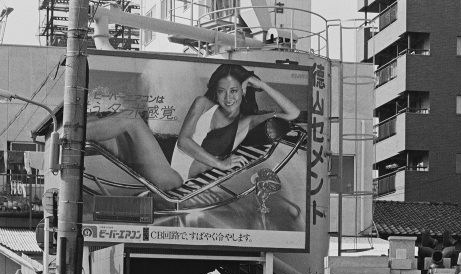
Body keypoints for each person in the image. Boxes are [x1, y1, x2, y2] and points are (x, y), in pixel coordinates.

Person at [82, 62, 302, 192]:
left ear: (243, 91)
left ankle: (72, 135)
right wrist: (219, 162)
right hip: (163, 164)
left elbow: (293, 113)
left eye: (234, 91)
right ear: (215, 91)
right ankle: (71, 137)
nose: (228, 97)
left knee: (130, 118)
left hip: (173, 178)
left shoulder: (245, 123)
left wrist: (262, 84)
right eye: (221, 91)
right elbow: (183, 141)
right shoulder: (203, 104)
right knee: (104, 122)